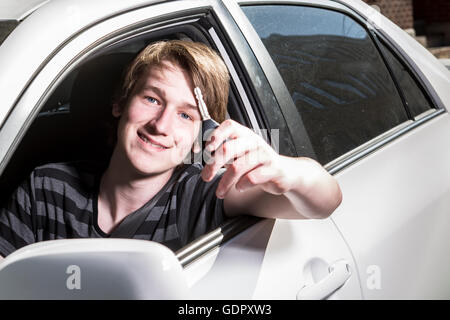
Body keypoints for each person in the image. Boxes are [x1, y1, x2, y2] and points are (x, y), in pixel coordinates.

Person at [0, 40, 342, 261]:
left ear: (200, 135)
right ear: (120, 103)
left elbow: (324, 200)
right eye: (151, 99)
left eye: (185, 114)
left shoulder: (200, 194)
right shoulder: (45, 187)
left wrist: (282, 168)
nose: (161, 125)